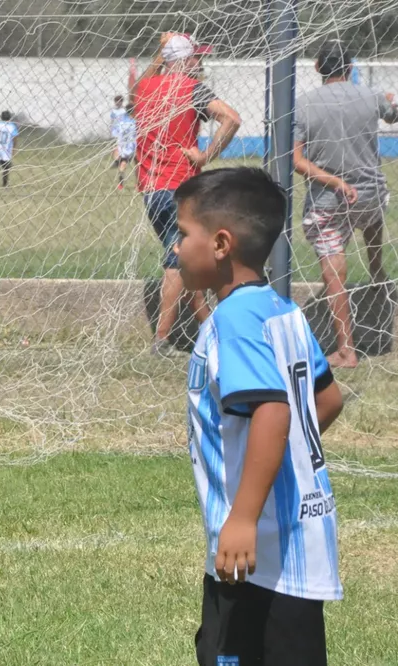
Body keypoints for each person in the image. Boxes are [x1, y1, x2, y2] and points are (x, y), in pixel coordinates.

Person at [175, 167, 344, 666]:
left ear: (222, 244)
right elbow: (327, 401)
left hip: (260, 556)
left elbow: (272, 410)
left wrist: (244, 517)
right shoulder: (280, 309)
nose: (176, 247)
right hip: (294, 543)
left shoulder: (236, 319)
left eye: (184, 234)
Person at [132, 32, 241, 356]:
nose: (200, 62)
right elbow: (232, 119)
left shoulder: (144, 89)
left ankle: (210, 330)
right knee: (183, 262)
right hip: (181, 189)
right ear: (184, 61)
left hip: (151, 190)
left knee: (183, 257)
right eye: (196, 57)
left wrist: (159, 51)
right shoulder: (191, 89)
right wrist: (207, 155)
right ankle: (162, 340)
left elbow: (149, 75)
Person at [294, 41, 398, 368]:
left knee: (334, 266)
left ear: (317, 68)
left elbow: (297, 161)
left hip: (329, 199)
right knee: (370, 219)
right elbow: (393, 114)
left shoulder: (302, 105)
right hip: (371, 196)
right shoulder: (370, 96)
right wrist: (389, 103)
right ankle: (376, 267)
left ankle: (345, 349)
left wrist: (336, 182)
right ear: (350, 68)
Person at [110, 100, 136, 190]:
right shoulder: (134, 122)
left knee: (123, 163)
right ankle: (138, 183)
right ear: (133, 111)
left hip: (123, 146)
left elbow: (115, 132)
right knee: (135, 164)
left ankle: (121, 183)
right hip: (132, 147)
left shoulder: (120, 121)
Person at [0, 110, 19, 187]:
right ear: (10, 117)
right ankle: (5, 184)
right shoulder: (12, 126)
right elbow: (15, 138)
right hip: (6, 150)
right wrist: (14, 148)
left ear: (1, 117)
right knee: (6, 169)